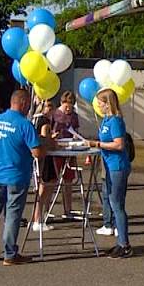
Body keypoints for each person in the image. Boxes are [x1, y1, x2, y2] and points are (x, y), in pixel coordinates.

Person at [0, 89, 44, 265]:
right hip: (16, 175)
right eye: (28, 104)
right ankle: (10, 253)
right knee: (13, 214)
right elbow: (37, 152)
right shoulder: (24, 124)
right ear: (22, 103)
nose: (29, 107)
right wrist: (44, 143)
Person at [87, 88, 133, 258]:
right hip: (108, 165)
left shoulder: (116, 121)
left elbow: (119, 144)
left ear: (108, 103)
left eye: (100, 102)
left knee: (117, 204)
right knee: (112, 202)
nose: (98, 105)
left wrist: (98, 145)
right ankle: (120, 241)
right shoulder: (106, 120)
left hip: (117, 166)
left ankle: (124, 244)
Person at [29, 99, 59, 233]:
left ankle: (40, 217)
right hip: (45, 157)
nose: (50, 109)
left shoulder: (34, 120)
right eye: (48, 106)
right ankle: (38, 219)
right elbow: (45, 139)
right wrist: (53, 140)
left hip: (38, 157)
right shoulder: (45, 122)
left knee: (47, 185)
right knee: (45, 187)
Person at [51, 91, 82, 219]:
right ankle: (48, 210)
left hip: (70, 150)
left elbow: (76, 130)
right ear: (61, 103)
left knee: (68, 180)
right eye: (66, 106)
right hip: (56, 150)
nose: (68, 109)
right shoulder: (54, 114)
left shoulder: (74, 116)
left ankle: (68, 209)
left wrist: (76, 137)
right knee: (52, 180)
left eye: (71, 106)